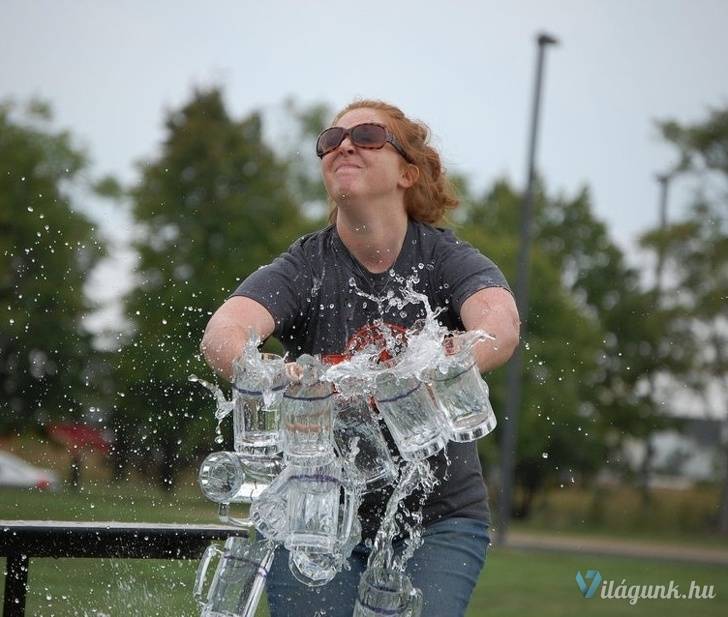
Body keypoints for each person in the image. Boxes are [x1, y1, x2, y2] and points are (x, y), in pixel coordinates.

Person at [201, 99, 519, 617]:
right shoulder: (305, 266)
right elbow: (224, 332)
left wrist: (460, 353)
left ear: (407, 173)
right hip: (313, 515)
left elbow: (499, 323)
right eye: (331, 139)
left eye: (369, 136)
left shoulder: (443, 259)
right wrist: (266, 373)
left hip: (438, 518)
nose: (344, 144)